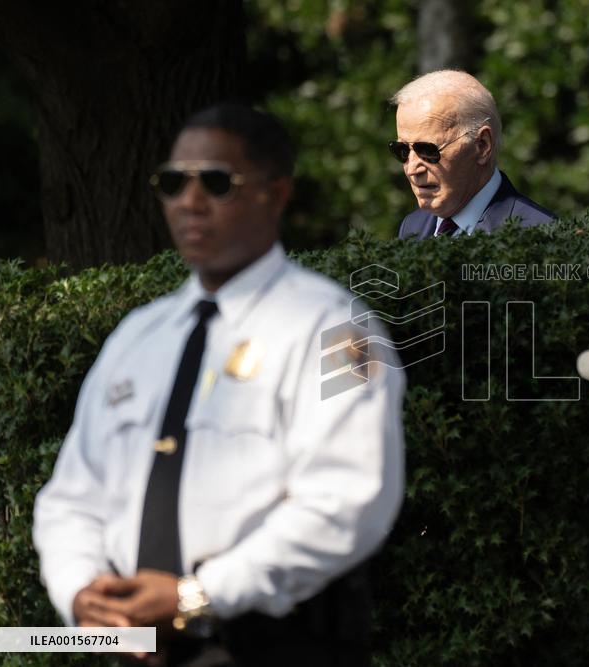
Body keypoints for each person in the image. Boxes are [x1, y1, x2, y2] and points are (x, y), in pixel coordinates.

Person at [33, 103, 405, 666]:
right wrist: (84, 595)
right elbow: (71, 496)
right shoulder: (138, 336)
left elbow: (347, 500)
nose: (189, 200)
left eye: (215, 182)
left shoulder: (333, 327)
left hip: (270, 647)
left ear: (275, 195)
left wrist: (194, 598)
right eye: (172, 182)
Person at [390, 70, 556, 239]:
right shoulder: (412, 227)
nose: (412, 169)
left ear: (482, 146)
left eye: (427, 150)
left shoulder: (540, 236)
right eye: (402, 150)